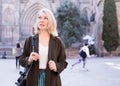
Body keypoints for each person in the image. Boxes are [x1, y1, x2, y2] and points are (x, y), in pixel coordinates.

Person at [19, 8, 68, 86]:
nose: (41, 20)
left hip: (52, 81)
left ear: (50, 21)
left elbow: (63, 62)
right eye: (39, 17)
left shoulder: (57, 42)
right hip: (33, 80)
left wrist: (56, 66)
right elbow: (21, 60)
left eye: (45, 18)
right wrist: (29, 59)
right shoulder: (30, 40)